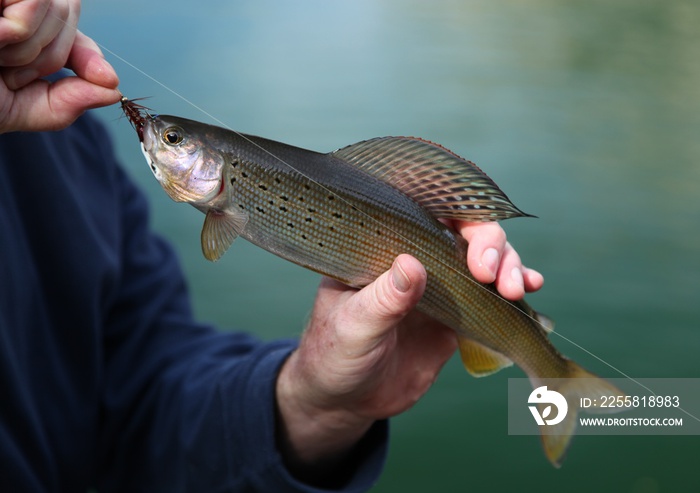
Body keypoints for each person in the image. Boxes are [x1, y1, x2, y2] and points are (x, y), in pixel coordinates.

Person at [0, 1, 544, 491]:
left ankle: (554, 371)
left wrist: (313, 405)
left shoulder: (65, 141)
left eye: (172, 141)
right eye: (171, 140)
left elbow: (140, 392)